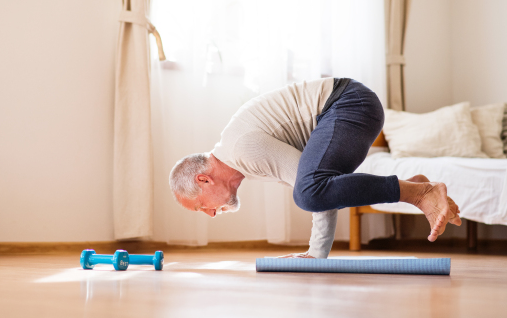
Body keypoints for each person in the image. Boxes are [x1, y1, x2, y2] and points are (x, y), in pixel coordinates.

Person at [169, 78, 462, 258]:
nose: (209, 213)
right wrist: (316, 253)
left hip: (349, 103)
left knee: (307, 192)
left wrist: (315, 253)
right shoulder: (242, 161)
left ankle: (421, 192)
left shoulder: (242, 149)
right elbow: (323, 191)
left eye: (200, 206)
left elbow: (310, 191)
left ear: (204, 179)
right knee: (314, 189)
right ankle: (414, 185)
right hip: (348, 107)